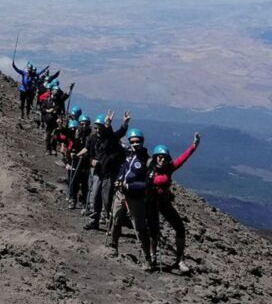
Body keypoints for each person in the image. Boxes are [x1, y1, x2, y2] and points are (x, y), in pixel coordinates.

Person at [147, 133, 201, 273]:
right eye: (159, 156)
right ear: (155, 157)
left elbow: (183, 159)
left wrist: (194, 145)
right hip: (151, 203)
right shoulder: (148, 169)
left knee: (180, 227)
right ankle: (152, 257)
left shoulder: (169, 168)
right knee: (153, 231)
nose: (162, 159)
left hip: (164, 202)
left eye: (164, 157)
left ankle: (179, 260)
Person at [108, 128, 153, 271]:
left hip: (136, 197)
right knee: (115, 218)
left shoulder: (147, 160)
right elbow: (122, 169)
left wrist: (129, 185)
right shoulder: (127, 154)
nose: (135, 144)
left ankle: (147, 258)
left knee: (139, 228)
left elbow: (147, 183)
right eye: (132, 141)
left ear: (142, 141)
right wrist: (119, 180)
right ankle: (113, 245)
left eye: (138, 141)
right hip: (120, 193)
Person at [84, 110, 130, 231]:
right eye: (96, 127)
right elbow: (90, 154)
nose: (98, 130)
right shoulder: (93, 139)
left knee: (107, 199)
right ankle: (94, 221)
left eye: (100, 128)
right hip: (98, 172)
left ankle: (112, 224)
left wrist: (124, 123)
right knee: (95, 197)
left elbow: (120, 132)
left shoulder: (111, 139)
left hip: (109, 173)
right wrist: (91, 162)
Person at [68, 114, 92, 210]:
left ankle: (83, 201)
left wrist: (85, 155)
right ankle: (73, 199)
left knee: (84, 182)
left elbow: (90, 148)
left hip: (85, 161)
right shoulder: (76, 133)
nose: (84, 126)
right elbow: (71, 144)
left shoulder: (91, 135)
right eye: (82, 124)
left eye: (86, 124)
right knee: (74, 181)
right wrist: (72, 153)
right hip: (76, 159)